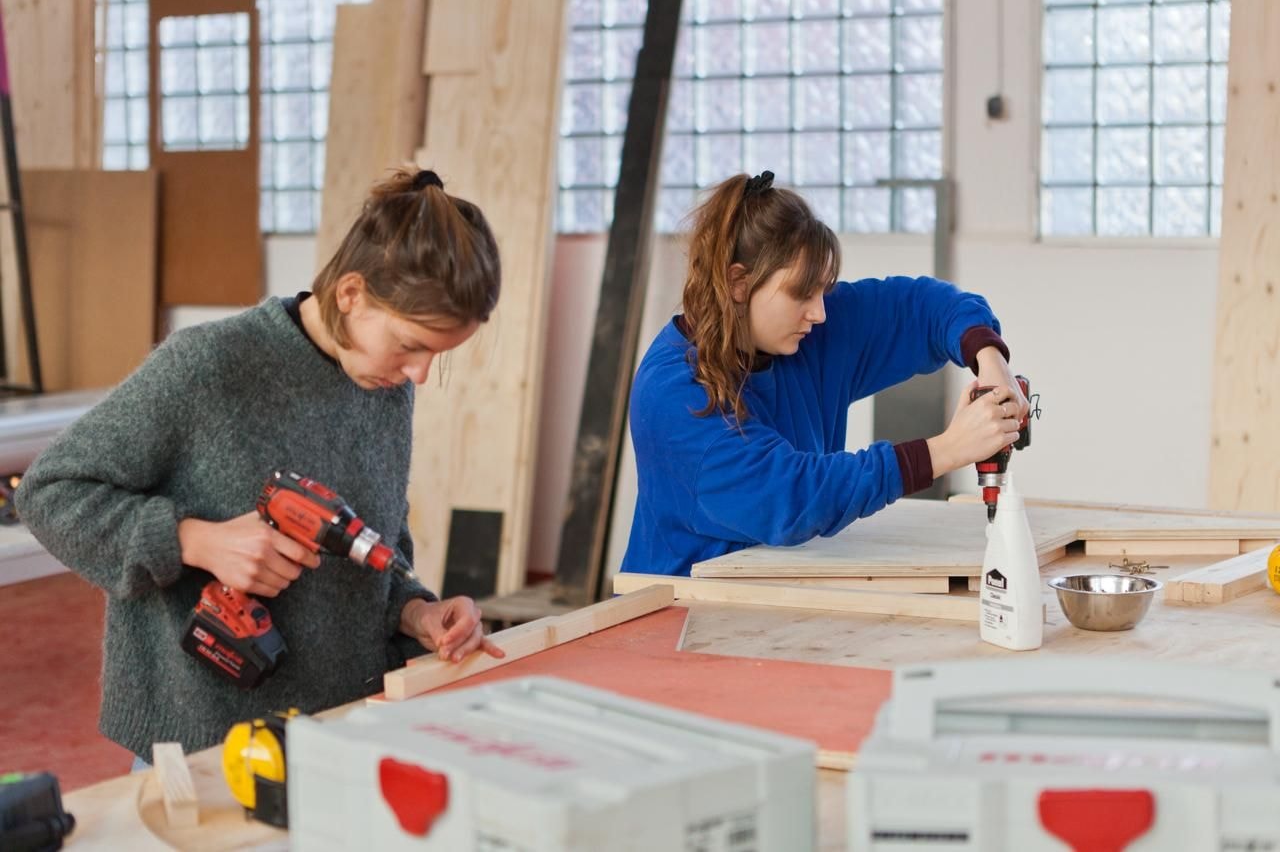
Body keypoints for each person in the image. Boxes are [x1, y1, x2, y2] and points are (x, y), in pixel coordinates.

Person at [15, 168, 505, 766]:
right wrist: (193, 541)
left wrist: (416, 610)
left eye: (438, 357)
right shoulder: (209, 367)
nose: (420, 375)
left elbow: (378, 545)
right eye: (410, 345)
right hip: (205, 743)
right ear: (350, 294)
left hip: (342, 725)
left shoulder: (383, 384)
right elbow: (49, 492)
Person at [621, 171, 1030, 577]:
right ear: (738, 283)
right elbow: (791, 496)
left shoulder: (807, 335)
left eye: (822, 290)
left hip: (772, 595)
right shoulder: (672, 393)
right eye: (802, 294)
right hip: (674, 619)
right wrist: (948, 449)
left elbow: (924, 306)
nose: (819, 313)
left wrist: (990, 359)